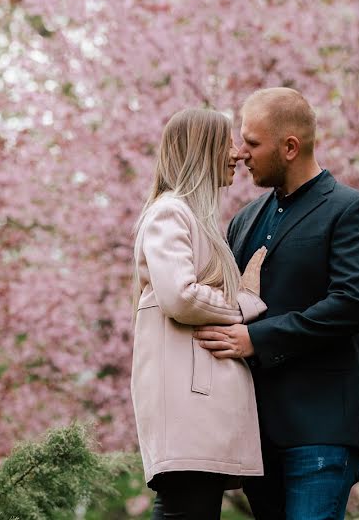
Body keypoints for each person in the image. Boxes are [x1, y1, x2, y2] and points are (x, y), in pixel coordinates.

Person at [194, 88, 359, 520]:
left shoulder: (353, 210)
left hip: (321, 430)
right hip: (255, 434)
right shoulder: (242, 220)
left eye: (253, 142)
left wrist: (255, 339)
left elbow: (352, 305)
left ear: (289, 147)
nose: (241, 153)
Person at [131, 107, 270, 520]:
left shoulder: (198, 220)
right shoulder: (170, 213)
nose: (238, 154)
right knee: (185, 507)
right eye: (226, 143)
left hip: (200, 409)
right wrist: (242, 304)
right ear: (202, 150)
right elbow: (178, 296)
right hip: (189, 408)